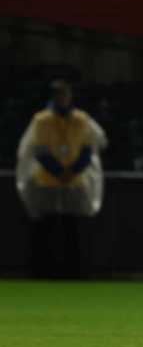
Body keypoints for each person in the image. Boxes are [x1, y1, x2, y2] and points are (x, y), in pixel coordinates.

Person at [16, 79, 107, 279]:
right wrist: (58, 171)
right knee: (45, 227)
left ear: (70, 96)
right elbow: (38, 150)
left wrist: (72, 171)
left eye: (64, 95)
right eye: (58, 95)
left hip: (74, 181)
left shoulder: (81, 119)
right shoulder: (41, 120)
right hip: (47, 181)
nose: (62, 99)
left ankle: (73, 271)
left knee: (72, 228)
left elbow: (88, 149)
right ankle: (42, 271)